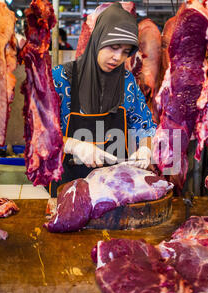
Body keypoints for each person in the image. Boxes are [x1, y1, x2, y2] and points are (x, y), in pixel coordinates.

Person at [51, 2, 156, 196]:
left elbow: (144, 126)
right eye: (114, 47)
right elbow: (43, 136)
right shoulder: (60, 78)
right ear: (98, 39)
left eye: (125, 52)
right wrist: (75, 146)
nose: (118, 57)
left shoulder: (126, 82)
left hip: (115, 190)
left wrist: (144, 149)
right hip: (69, 189)